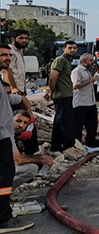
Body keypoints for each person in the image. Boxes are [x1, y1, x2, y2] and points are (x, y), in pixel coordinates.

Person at [0, 44, 34, 231]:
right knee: (4, 177)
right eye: (3, 55)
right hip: (1, 137)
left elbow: (16, 98)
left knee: (5, 176)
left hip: (4, 135)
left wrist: (30, 113)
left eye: (9, 55)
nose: (7, 58)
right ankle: (3, 219)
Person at [45, 40, 77, 152]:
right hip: (62, 96)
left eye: (74, 48)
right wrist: (51, 92)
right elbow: (53, 77)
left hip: (65, 95)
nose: (72, 50)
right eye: (70, 48)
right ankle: (68, 146)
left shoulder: (67, 61)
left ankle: (56, 146)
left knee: (59, 122)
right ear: (64, 49)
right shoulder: (60, 60)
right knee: (66, 122)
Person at [13, 111, 54, 188]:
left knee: (33, 167)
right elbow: (17, 160)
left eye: (25, 123)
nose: (21, 125)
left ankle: (4, 193)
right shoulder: (5, 134)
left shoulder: (18, 134)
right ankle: (3, 194)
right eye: (18, 121)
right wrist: (41, 160)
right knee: (31, 169)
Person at [71, 54, 99, 147]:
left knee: (92, 124)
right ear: (83, 61)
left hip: (90, 102)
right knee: (78, 125)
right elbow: (76, 86)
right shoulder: (77, 71)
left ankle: (91, 141)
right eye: (90, 60)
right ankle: (77, 144)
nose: (92, 62)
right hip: (81, 103)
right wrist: (91, 80)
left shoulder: (87, 71)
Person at [3, 30, 29, 96]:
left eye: (26, 38)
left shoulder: (19, 51)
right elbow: (7, 71)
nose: (24, 40)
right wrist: (13, 88)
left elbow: (20, 73)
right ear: (13, 39)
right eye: (21, 38)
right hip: (12, 91)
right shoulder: (10, 51)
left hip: (20, 89)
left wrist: (24, 89)